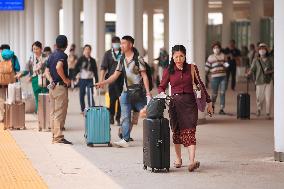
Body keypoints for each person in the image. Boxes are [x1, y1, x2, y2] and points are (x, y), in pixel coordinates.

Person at [158, 45, 213, 172]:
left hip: (190, 103)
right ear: (172, 57)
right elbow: (161, 86)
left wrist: (209, 101)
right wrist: (163, 95)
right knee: (176, 131)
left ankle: (192, 161)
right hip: (174, 104)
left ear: (185, 56)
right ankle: (178, 159)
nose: (179, 59)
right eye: (176, 56)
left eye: (181, 56)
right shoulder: (168, 70)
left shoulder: (192, 68)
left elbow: (200, 85)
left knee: (190, 131)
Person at [96, 35, 151, 148]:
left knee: (149, 113)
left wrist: (148, 93)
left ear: (130, 45)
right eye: (121, 43)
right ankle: (125, 139)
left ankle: (154, 136)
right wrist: (103, 82)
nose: (121, 45)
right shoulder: (121, 59)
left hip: (138, 93)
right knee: (125, 117)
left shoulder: (138, 59)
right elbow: (115, 75)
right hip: (126, 93)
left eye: (123, 43)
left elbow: (144, 76)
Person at [45, 35, 72, 145]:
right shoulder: (63, 55)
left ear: (56, 44)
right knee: (59, 112)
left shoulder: (51, 56)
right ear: (66, 45)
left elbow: (46, 71)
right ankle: (58, 137)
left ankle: (54, 134)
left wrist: (51, 80)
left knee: (53, 112)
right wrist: (65, 80)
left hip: (53, 87)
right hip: (60, 87)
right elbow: (58, 67)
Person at [16, 41, 49, 112]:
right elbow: (27, 70)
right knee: (37, 98)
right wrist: (21, 74)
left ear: (41, 48)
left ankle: (47, 114)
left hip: (44, 79)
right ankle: (39, 114)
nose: (35, 51)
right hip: (35, 80)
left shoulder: (46, 58)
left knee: (45, 97)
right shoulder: (31, 59)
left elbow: (50, 68)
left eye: (37, 48)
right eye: (34, 49)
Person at [246, 43, 273, 119]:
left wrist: (269, 71)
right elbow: (252, 69)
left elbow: (275, 69)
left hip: (268, 81)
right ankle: (259, 109)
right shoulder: (256, 60)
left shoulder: (270, 59)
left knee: (268, 98)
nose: (262, 50)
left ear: (266, 50)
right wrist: (248, 73)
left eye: (263, 49)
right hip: (259, 81)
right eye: (260, 49)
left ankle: (268, 113)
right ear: (258, 51)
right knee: (259, 98)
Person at [100, 36, 123, 125]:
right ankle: (111, 116)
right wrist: (101, 80)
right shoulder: (108, 54)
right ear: (112, 43)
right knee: (112, 100)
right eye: (114, 42)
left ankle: (118, 118)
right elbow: (103, 68)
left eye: (117, 42)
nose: (116, 44)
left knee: (121, 100)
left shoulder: (123, 53)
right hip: (111, 81)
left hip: (121, 81)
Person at [205, 41, 228, 115]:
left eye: (217, 47)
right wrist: (203, 75)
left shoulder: (223, 55)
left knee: (222, 92)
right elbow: (207, 68)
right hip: (214, 78)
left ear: (220, 48)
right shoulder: (210, 57)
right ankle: (213, 106)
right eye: (214, 48)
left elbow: (227, 65)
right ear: (212, 49)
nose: (216, 49)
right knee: (214, 94)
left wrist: (224, 64)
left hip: (223, 77)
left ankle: (222, 108)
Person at [74, 45, 98, 113]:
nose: (87, 51)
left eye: (88, 49)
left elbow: (95, 72)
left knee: (90, 93)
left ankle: (91, 108)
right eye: (86, 49)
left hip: (90, 80)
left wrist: (97, 81)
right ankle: (83, 109)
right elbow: (75, 68)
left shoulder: (93, 60)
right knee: (81, 94)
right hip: (82, 79)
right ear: (84, 51)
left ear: (90, 51)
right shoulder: (80, 59)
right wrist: (76, 75)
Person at [0, 46, 21, 122]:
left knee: (2, 98)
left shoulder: (0, 56)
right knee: (11, 98)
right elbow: (17, 68)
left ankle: (3, 116)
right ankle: (11, 116)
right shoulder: (14, 56)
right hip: (12, 81)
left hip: (1, 81)